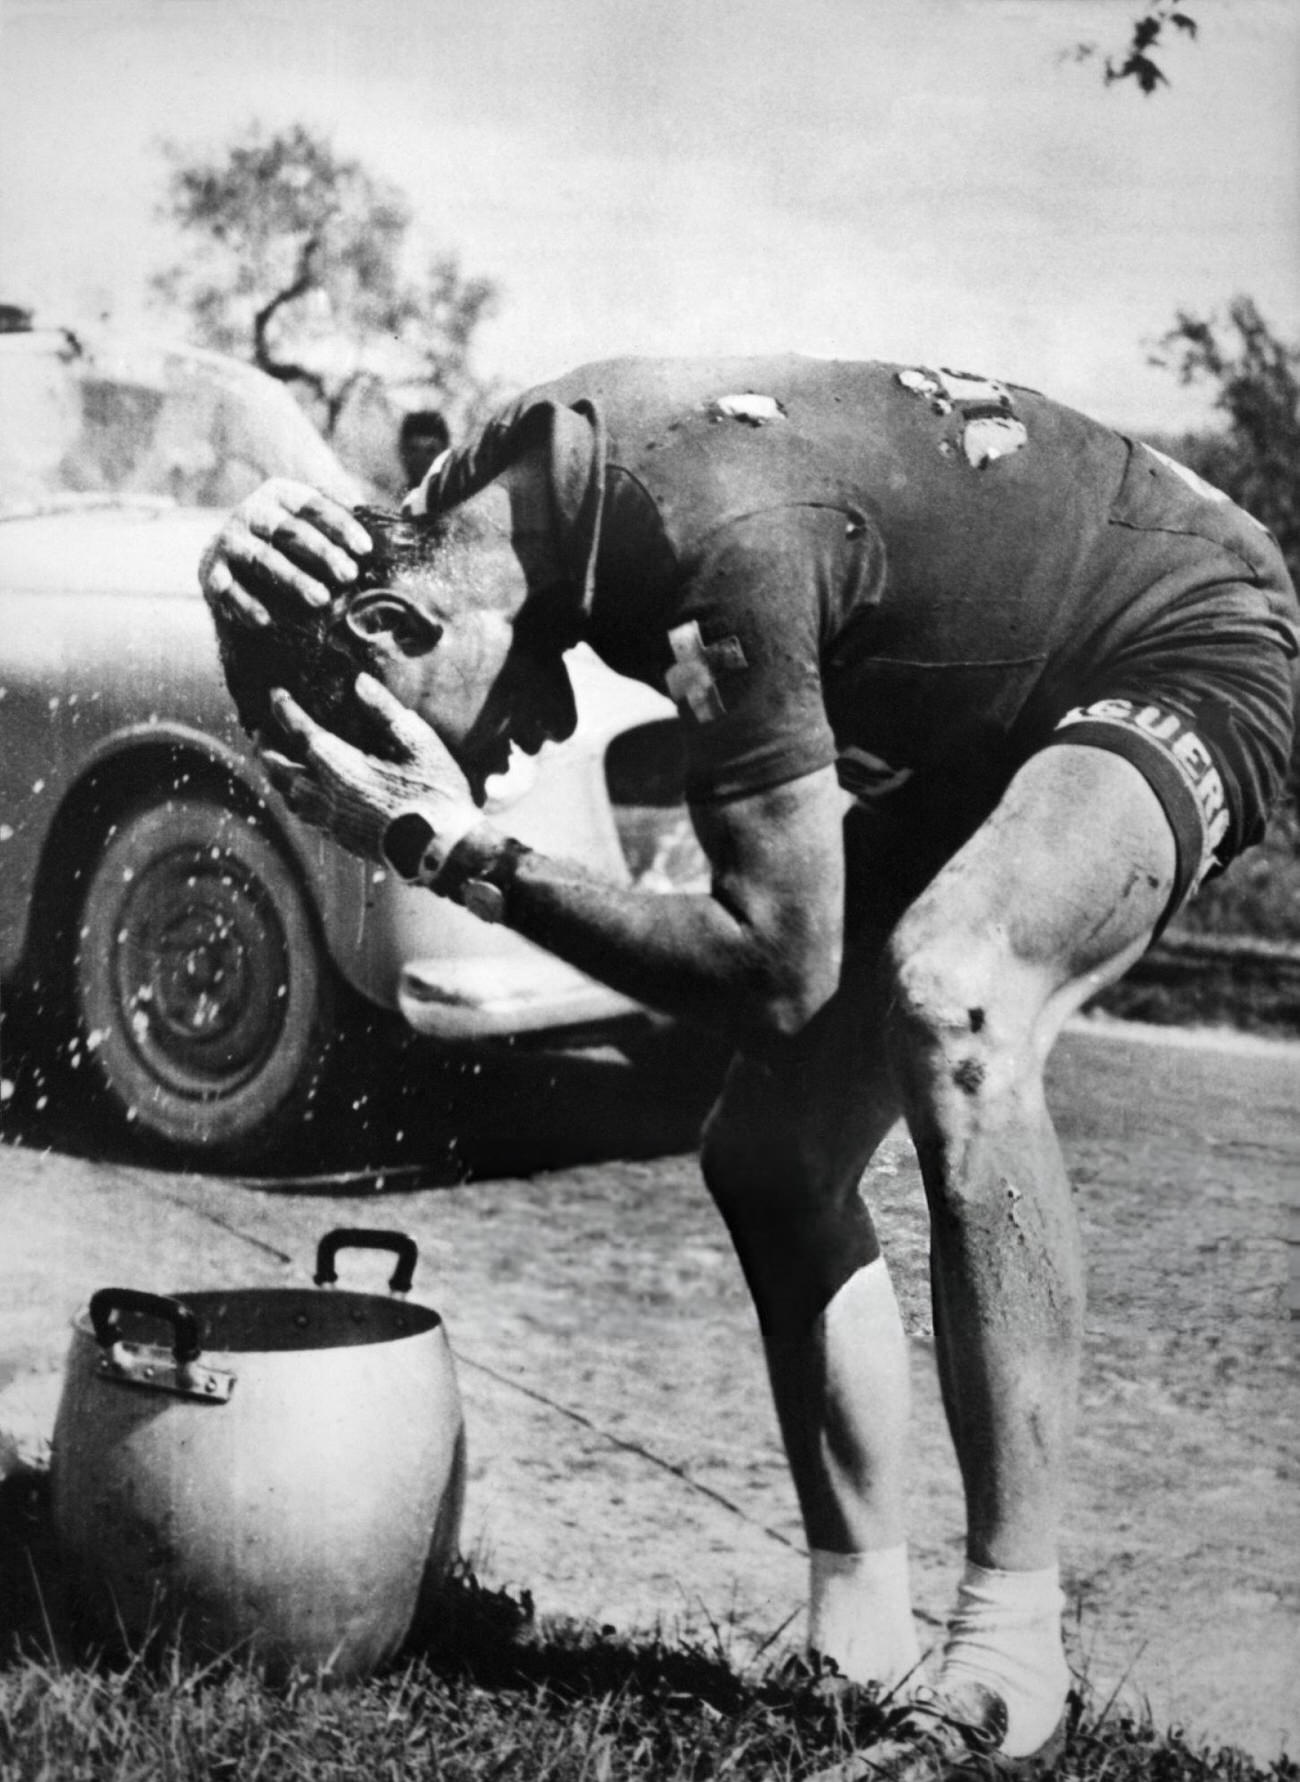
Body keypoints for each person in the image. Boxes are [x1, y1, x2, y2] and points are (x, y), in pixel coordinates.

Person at [200, 355, 1298, 1778]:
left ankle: (1014, 1655)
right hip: (990, 713)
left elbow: (777, 971)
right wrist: (236, 559)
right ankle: (862, 1633)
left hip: (1187, 632)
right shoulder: (489, 493)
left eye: (421, 743)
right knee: (771, 1158)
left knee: (961, 998)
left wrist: (451, 848)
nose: (485, 769)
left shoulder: (712, 538)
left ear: (414, 628)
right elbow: (328, 552)